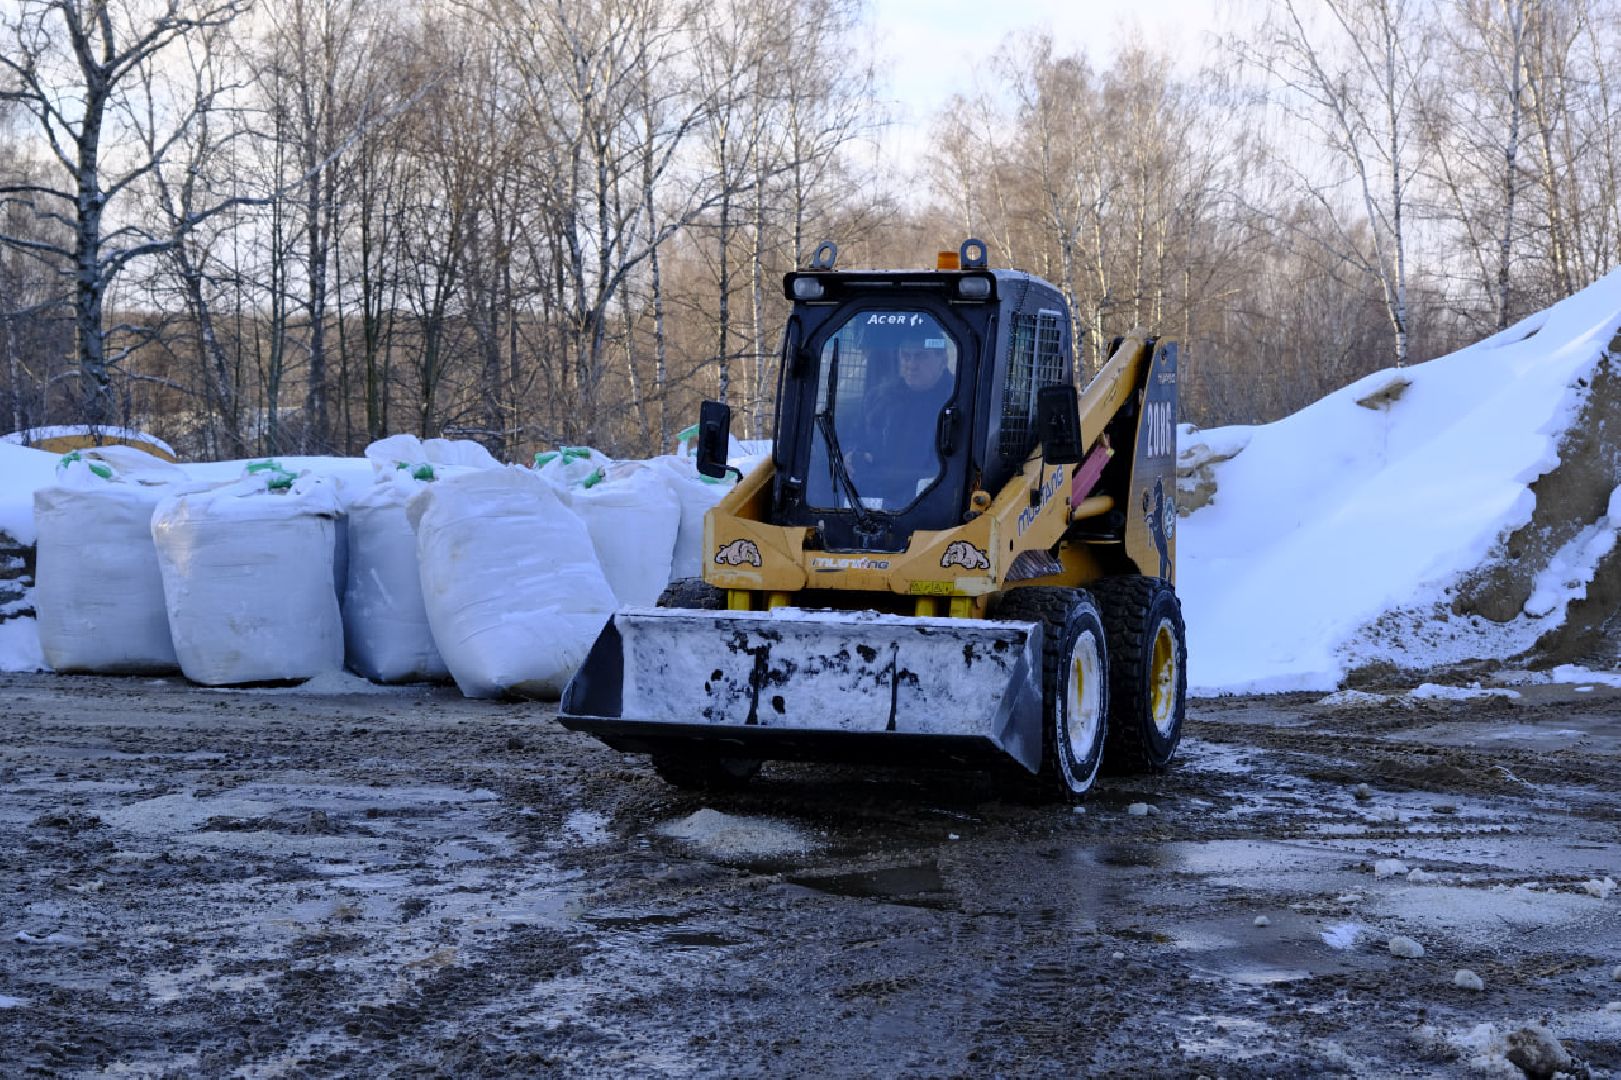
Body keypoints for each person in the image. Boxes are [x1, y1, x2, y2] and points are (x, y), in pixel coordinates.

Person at [847, 340, 955, 506]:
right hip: (875, 498)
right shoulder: (879, 398)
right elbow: (856, 439)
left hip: (933, 497)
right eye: (906, 357)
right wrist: (851, 455)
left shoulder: (960, 399)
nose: (912, 365)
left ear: (943, 359)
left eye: (921, 356)